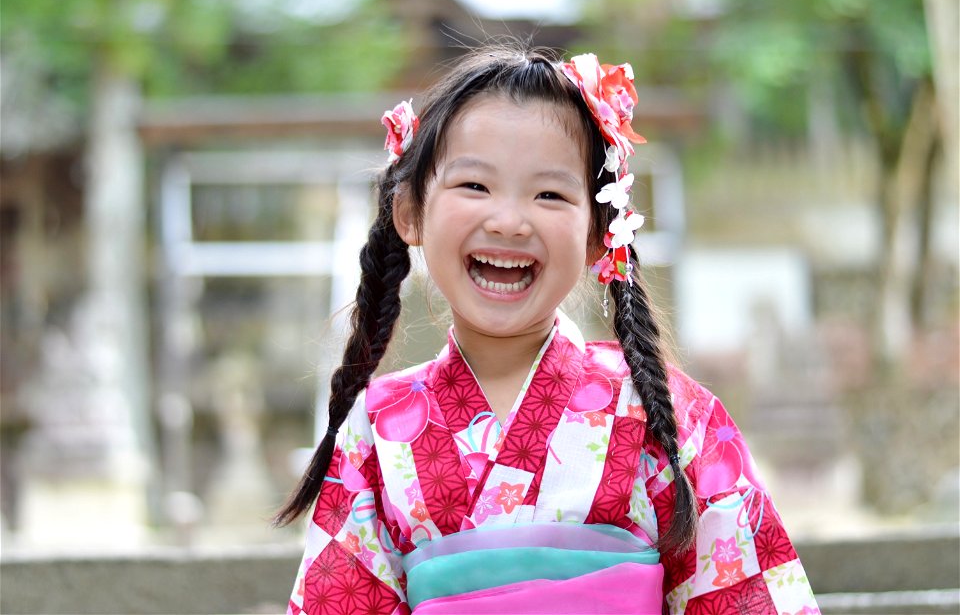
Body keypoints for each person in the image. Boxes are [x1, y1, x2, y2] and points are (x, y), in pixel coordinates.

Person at [276, 46, 820, 615]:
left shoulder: (674, 421)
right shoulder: (376, 434)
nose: (509, 221)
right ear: (409, 210)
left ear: (597, 234)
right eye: (475, 186)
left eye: (550, 195)